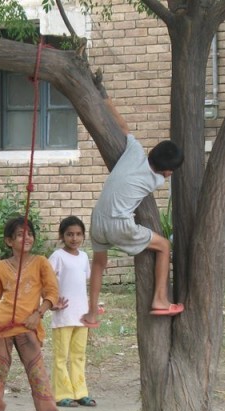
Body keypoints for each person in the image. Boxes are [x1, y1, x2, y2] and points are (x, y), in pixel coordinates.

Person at [82, 97, 185, 327]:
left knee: (99, 263)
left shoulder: (134, 150)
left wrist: (105, 99)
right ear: (168, 171)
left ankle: (91, 313)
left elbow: (123, 126)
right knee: (164, 246)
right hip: (120, 224)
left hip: (97, 219)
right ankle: (160, 299)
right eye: (171, 171)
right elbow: (162, 172)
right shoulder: (156, 179)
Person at [0, 217, 62, 411]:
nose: (26, 237)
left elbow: (52, 293)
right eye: (19, 234)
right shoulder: (0, 267)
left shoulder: (40, 262)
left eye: (29, 233)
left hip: (28, 327)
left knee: (38, 373)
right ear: (9, 241)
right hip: (0, 328)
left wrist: (39, 313)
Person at [48, 216, 96, 408]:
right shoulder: (57, 256)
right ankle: (62, 394)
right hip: (63, 316)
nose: (74, 238)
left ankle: (80, 392)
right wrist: (52, 302)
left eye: (78, 234)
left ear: (83, 236)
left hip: (82, 315)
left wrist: (93, 308)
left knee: (78, 355)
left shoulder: (84, 257)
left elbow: (87, 282)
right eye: (69, 234)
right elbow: (46, 280)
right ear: (62, 236)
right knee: (61, 357)